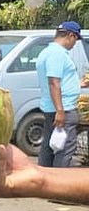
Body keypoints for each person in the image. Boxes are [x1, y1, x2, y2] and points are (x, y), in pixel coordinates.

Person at [35, 21, 83, 168]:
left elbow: (60, 80)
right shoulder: (57, 54)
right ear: (70, 35)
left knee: (50, 145)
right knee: (64, 149)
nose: (75, 44)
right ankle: (58, 184)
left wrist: (79, 84)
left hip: (53, 108)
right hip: (63, 109)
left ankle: (44, 181)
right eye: (75, 39)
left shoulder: (48, 52)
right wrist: (60, 111)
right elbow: (54, 83)